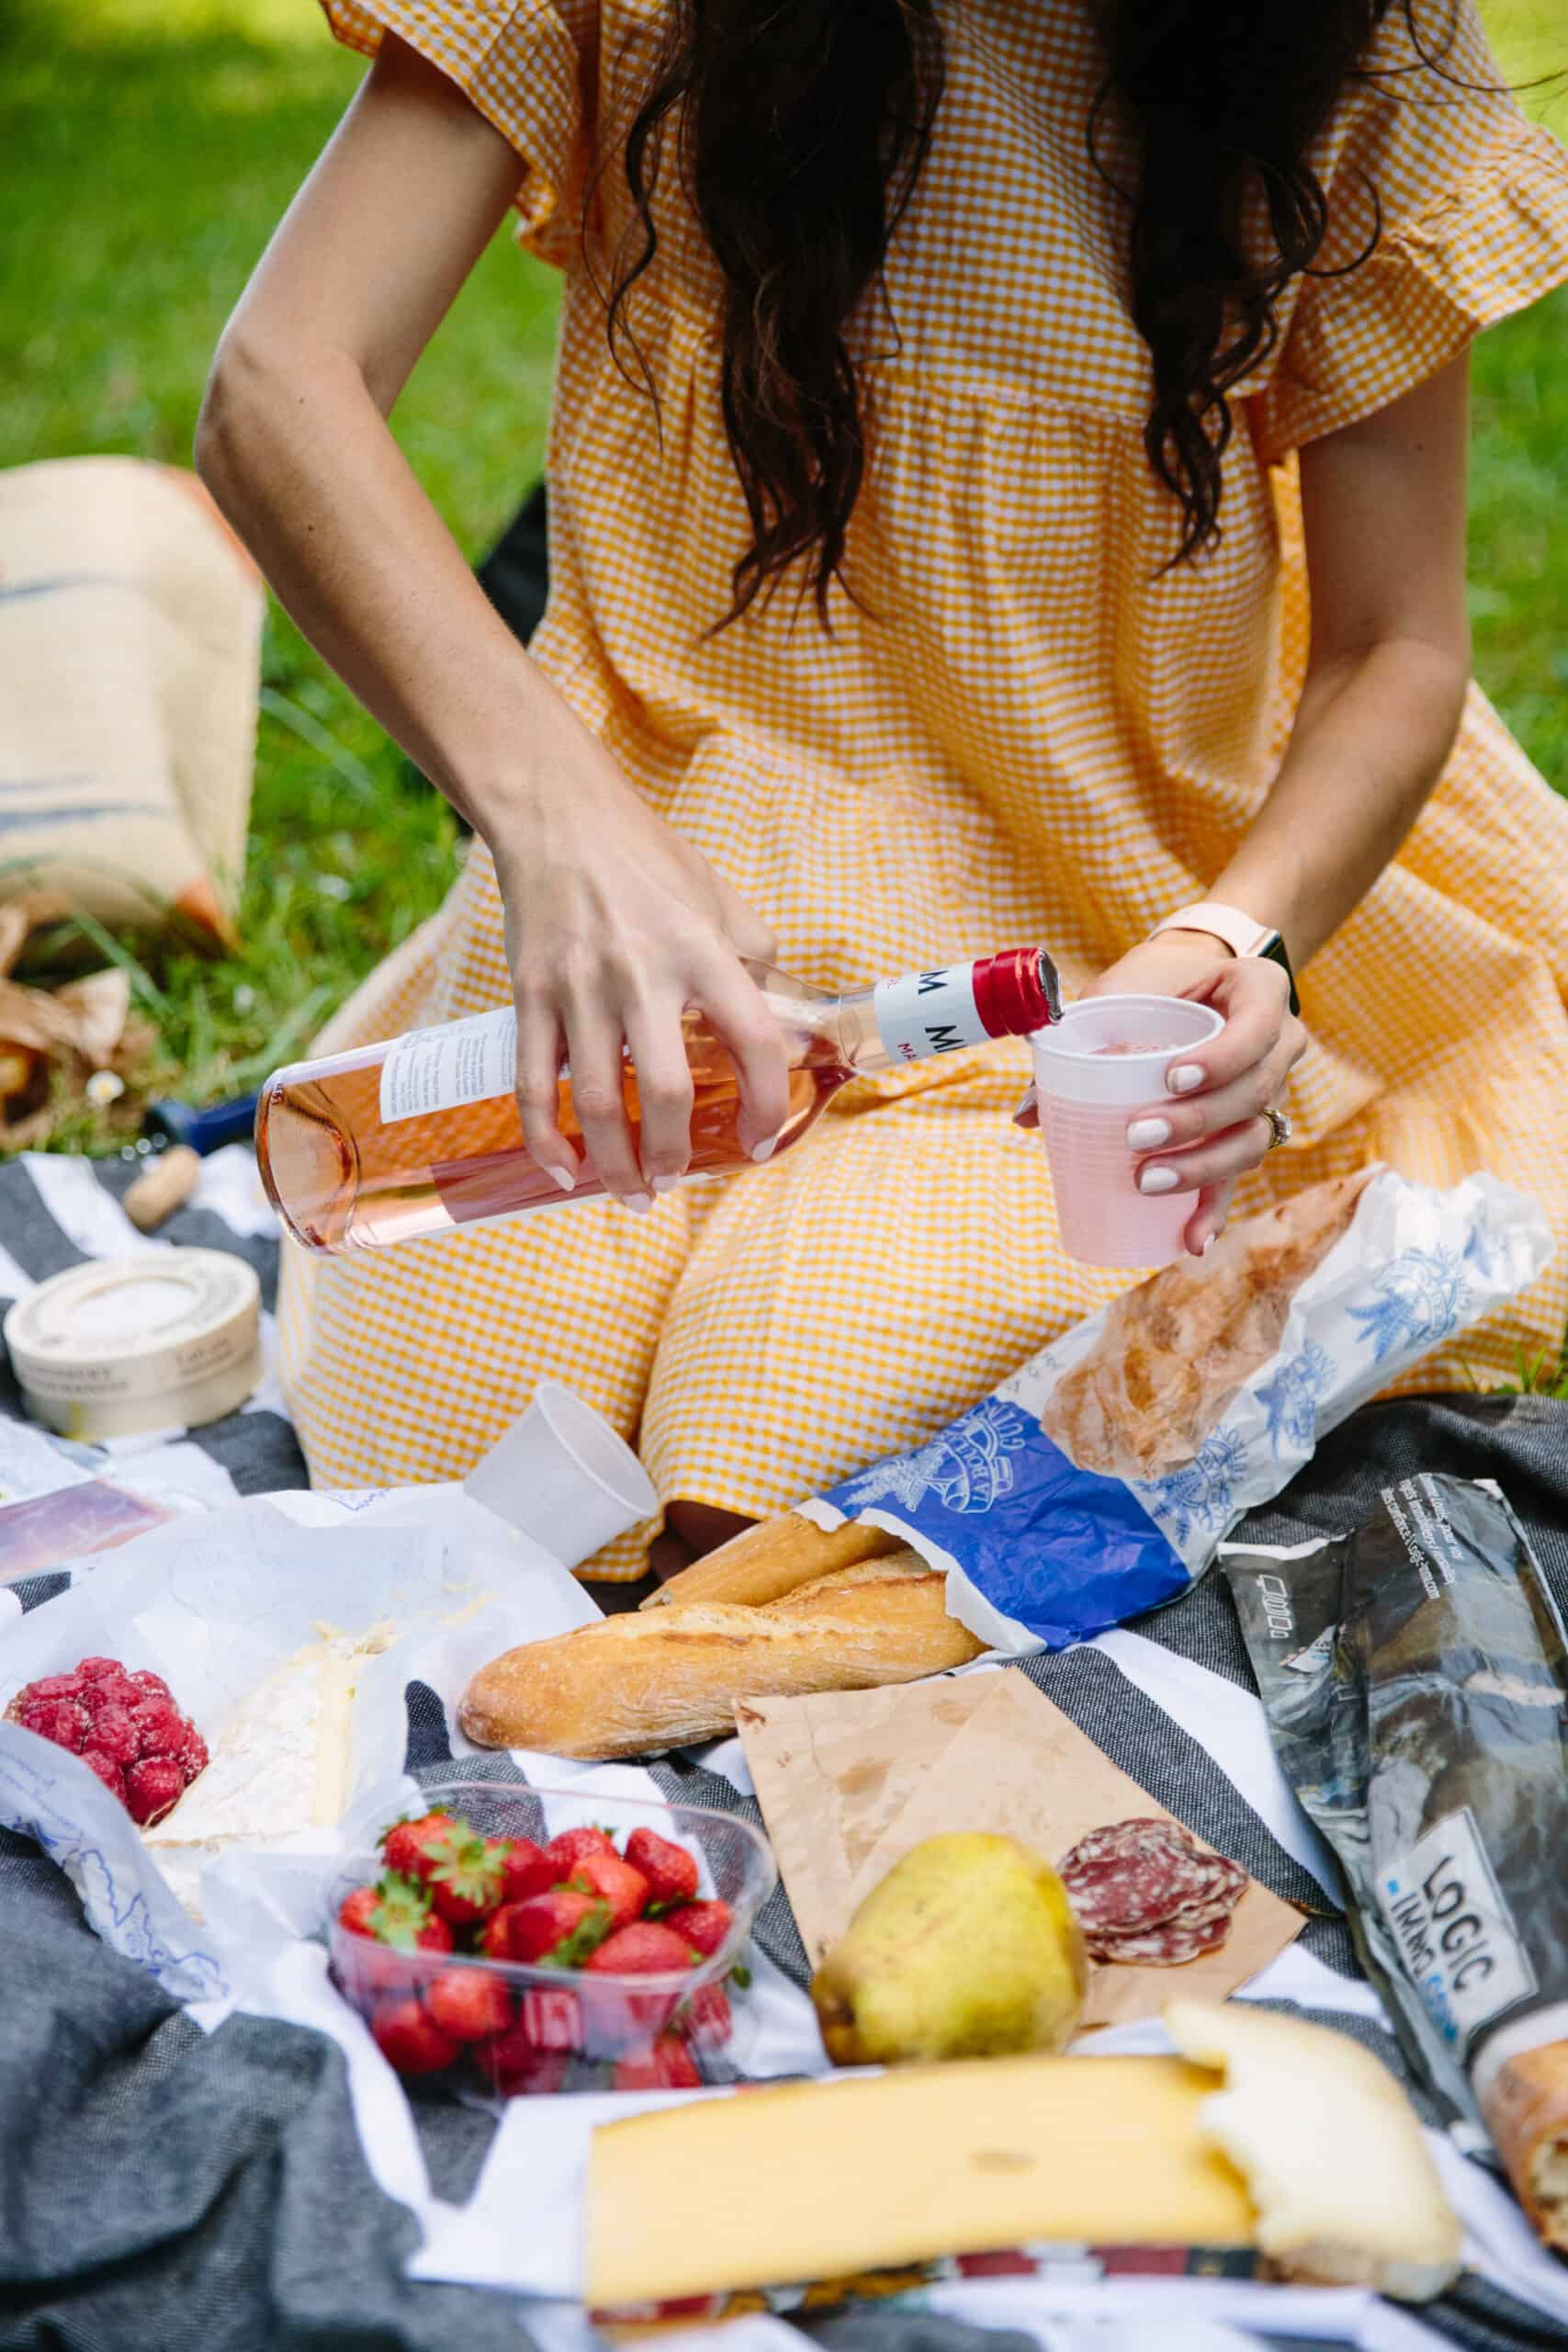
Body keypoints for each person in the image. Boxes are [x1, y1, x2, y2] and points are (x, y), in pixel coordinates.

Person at [197, 1, 1568, 1580]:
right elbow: (279, 380)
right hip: (670, 873)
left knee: (788, 1427)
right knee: (453, 1446)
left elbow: (1394, 651)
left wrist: (1235, 938)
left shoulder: (1360, 46)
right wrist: (558, 826)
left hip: (1099, 911)